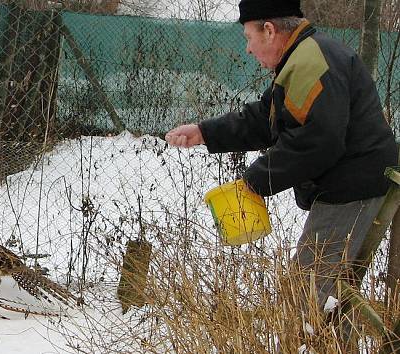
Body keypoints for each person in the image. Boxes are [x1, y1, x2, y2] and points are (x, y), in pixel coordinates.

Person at [165, 0, 398, 347]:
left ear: (270, 30)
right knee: (330, 286)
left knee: (307, 284)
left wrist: (256, 181)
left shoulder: (311, 62)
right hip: (358, 181)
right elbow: (266, 118)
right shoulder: (303, 58)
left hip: (354, 186)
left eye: (249, 36)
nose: (247, 48)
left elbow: (318, 140)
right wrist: (205, 132)